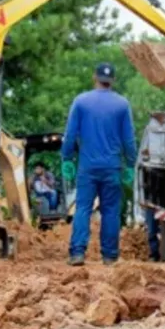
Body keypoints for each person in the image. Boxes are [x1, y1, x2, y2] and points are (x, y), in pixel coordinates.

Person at [61, 63, 137, 266]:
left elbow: (70, 135)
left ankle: (77, 253)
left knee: (83, 208)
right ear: (113, 80)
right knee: (111, 210)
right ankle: (110, 256)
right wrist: (130, 163)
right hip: (112, 167)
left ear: (94, 77)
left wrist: (67, 159)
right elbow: (129, 139)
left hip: (87, 167)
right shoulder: (122, 105)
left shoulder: (81, 102)